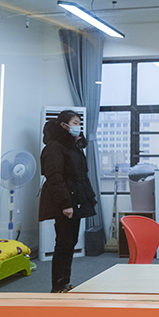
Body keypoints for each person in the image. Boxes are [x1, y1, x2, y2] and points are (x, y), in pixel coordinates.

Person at [39, 110, 97, 293]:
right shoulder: (54, 147)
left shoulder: (74, 147)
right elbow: (54, 177)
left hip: (76, 200)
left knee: (71, 242)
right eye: (74, 123)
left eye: (79, 123)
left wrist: (89, 198)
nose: (78, 126)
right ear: (63, 125)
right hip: (64, 203)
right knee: (63, 244)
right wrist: (65, 204)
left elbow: (81, 176)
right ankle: (57, 286)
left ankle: (65, 283)